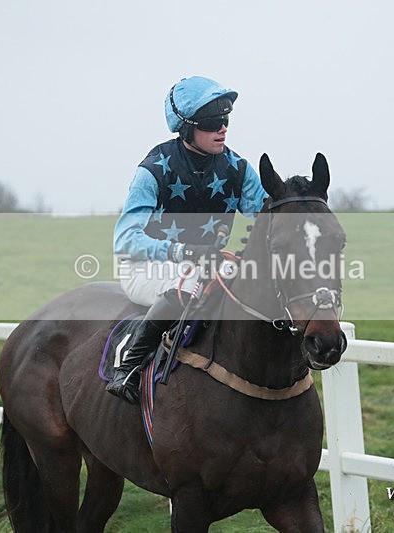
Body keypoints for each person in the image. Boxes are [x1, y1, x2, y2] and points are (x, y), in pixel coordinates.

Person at [107, 76, 267, 404]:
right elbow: (124, 239)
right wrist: (185, 251)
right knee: (192, 281)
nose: (222, 129)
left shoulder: (237, 169)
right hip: (146, 267)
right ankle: (128, 365)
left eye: (225, 120)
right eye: (212, 123)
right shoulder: (153, 171)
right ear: (186, 128)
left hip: (209, 268)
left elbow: (267, 218)